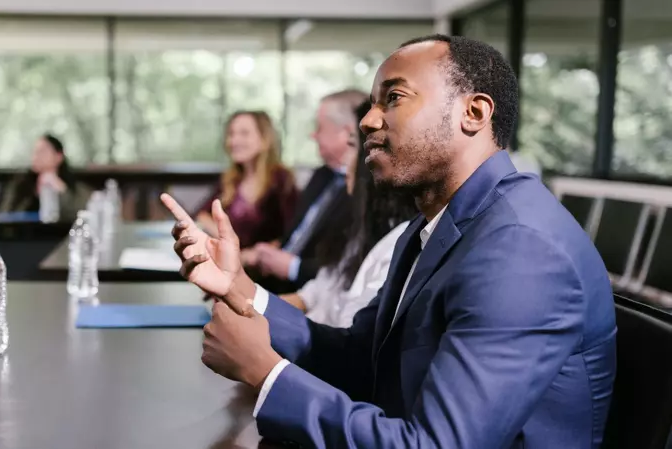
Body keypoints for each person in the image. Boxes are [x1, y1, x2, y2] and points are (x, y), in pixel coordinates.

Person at [162, 35, 616, 448]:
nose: (367, 121)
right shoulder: (437, 225)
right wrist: (239, 286)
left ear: (473, 113)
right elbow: (363, 358)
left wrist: (266, 374)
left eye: (393, 98)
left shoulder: (520, 248)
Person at [280, 100, 416, 327]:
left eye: (352, 146)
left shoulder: (396, 244)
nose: (344, 161)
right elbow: (311, 295)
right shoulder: (358, 231)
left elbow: (347, 338)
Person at [244, 89, 366, 293]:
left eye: (319, 128)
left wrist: (292, 267)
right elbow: (295, 236)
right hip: (271, 281)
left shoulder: (366, 191)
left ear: (346, 133)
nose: (313, 135)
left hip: (312, 295)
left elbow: (350, 269)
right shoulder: (321, 175)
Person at [195, 111, 298, 249]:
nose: (233, 141)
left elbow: (293, 234)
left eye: (244, 133)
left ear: (264, 140)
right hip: (231, 262)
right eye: (231, 134)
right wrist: (229, 241)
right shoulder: (231, 179)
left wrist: (255, 255)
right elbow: (202, 215)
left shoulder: (281, 179)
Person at [0, 134, 79, 221]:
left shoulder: (73, 185)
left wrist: (61, 188)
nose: (36, 156)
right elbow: (5, 213)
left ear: (58, 156)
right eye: (34, 151)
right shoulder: (20, 183)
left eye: (42, 151)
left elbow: (79, 215)